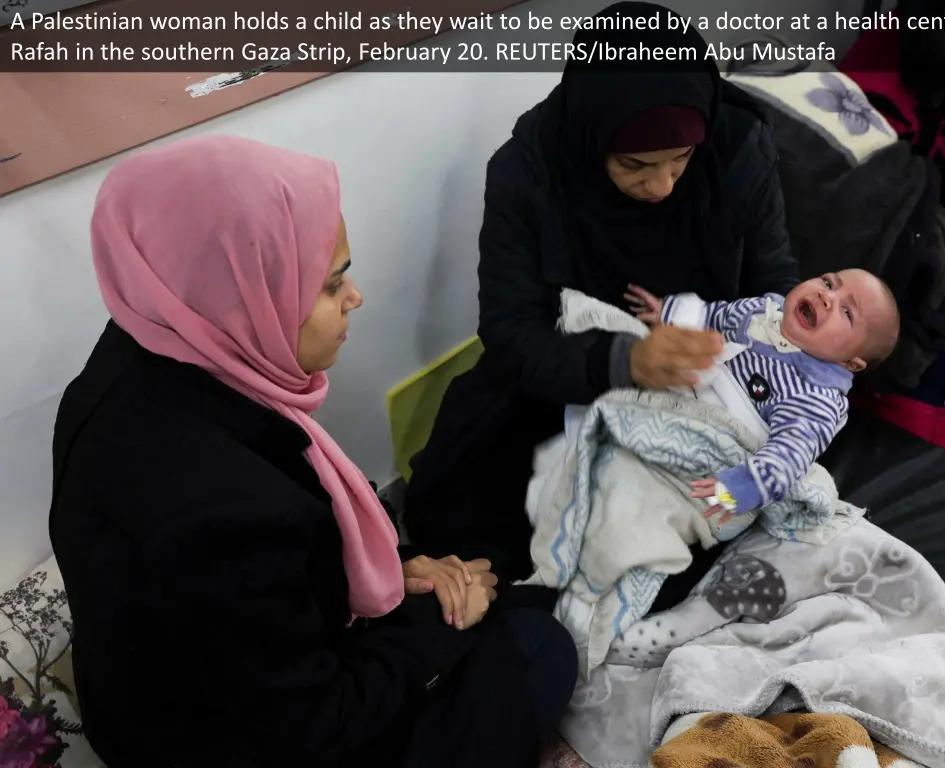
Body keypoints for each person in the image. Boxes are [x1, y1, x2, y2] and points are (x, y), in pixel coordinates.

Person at [47, 135, 577, 768]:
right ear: (241, 296)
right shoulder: (220, 511)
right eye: (330, 285)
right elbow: (316, 723)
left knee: (499, 591)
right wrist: (438, 622)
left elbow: (264, 588)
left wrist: (393, 574)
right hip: (234, 740)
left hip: (189, 682)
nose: (355, 297)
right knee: (537, 643)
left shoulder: (142, 354)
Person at [404, 1, 802, 592]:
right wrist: (624, 362)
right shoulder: (529, 170)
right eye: (634, 165)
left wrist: (737, 359)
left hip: (710, 387)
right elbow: (512, 332)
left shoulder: (737, 146)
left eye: (680, 161)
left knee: (706, 529)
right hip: (565, 384)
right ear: (593, 138)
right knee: (484, 533)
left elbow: (773, 289)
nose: (662, 186)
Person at [626, 268, 900, 521]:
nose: (826, 296)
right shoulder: (761, 311)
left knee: (665, 510)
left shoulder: (816, 397)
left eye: (847, 312)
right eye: (829, 282)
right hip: (679, 398)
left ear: (850, 363)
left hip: (723, 464)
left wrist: (739, 488)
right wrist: (670, 312)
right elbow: (714, 316)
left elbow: (788, 456)